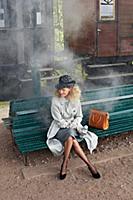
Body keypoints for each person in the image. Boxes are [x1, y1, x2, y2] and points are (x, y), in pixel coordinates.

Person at [46, 75, 101, 180]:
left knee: (71, 138)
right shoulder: (55, 101)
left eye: (63, 89)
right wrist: (70, 125)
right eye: (59, 89)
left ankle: (65, 163)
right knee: (70, 136)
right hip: (60, 129)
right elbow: (59, 121)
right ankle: (89, 165)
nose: (61, 92)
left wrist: (74, 124)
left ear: (70, 89)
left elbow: (79, 116)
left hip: (74, 128)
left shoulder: (75, 99)